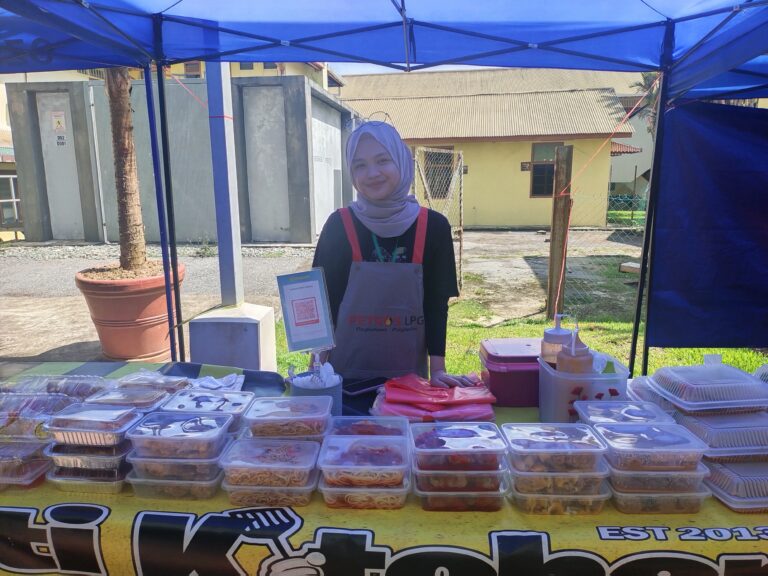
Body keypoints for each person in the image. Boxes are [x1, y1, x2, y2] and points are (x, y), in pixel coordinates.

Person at [312, 121, 472, 389]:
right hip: (344, 382)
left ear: (401, 160)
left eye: (382, 160)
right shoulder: (338, 226)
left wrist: (438, 370)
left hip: (408, 386)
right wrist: (315, 372)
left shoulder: (433, 227)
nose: (372, 173)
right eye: (360, 165)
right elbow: (323, 301)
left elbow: (436, 304)